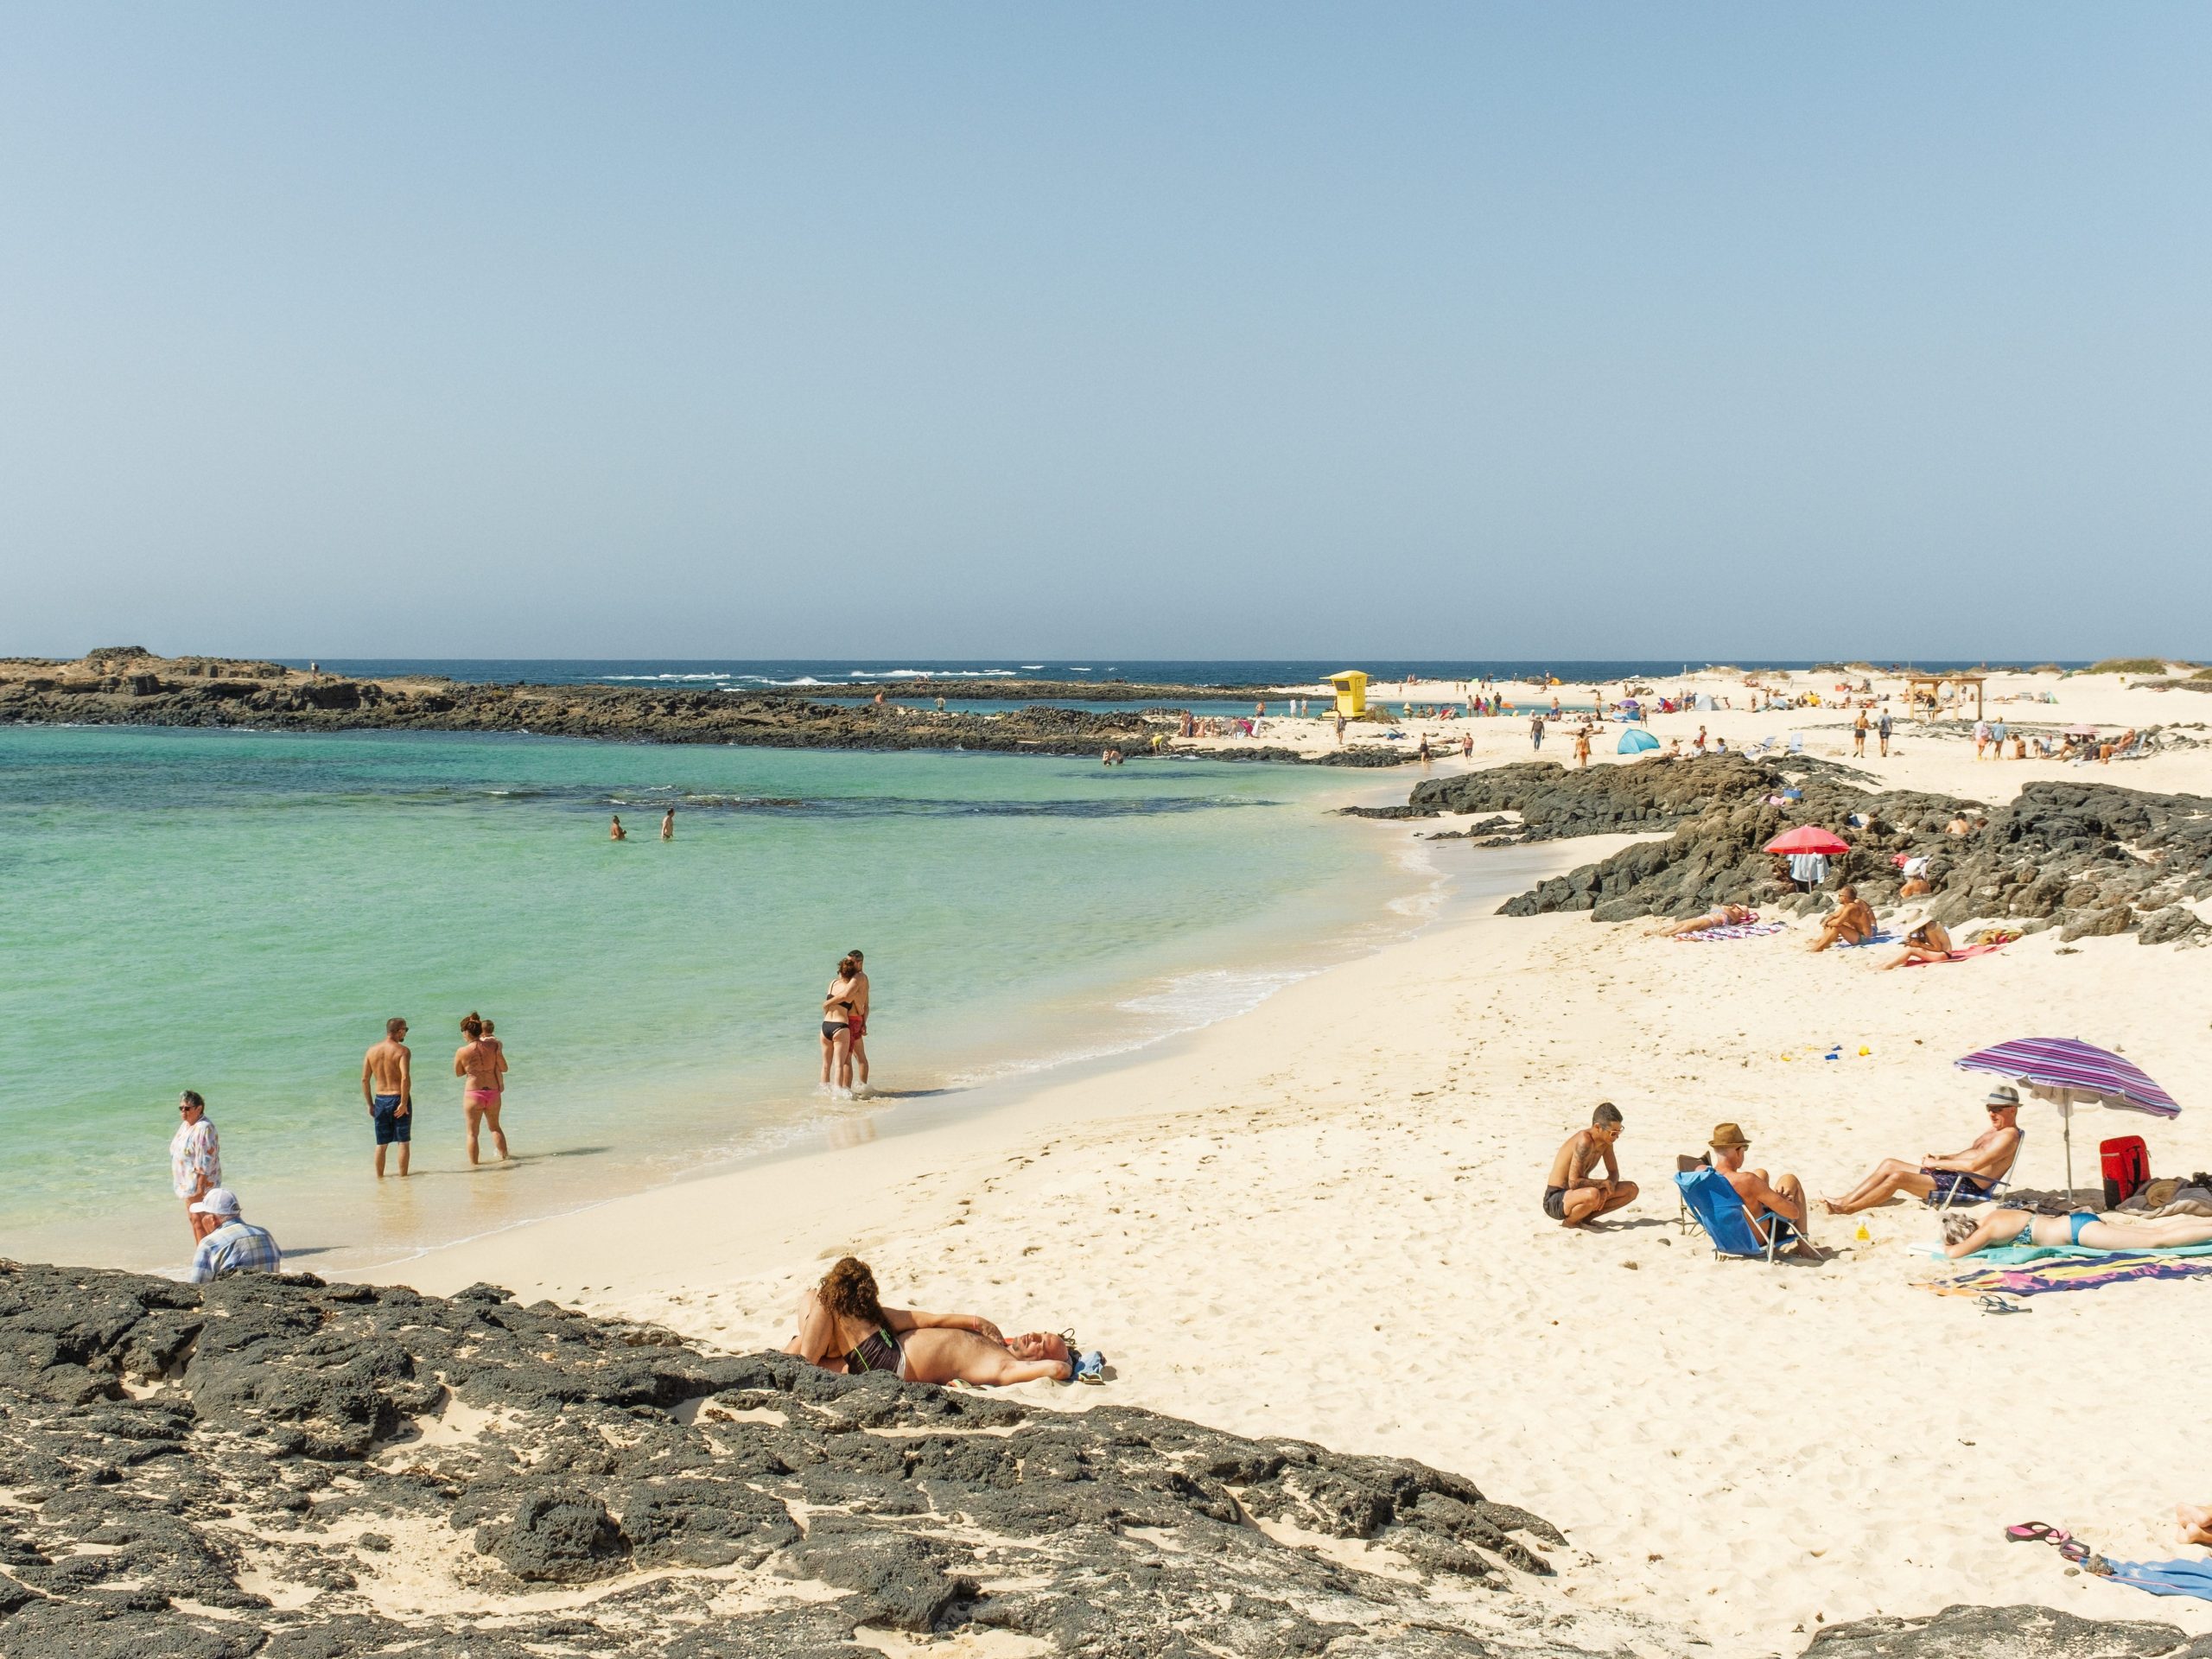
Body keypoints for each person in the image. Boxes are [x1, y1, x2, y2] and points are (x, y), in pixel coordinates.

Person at [786, 1257, 1077, 1385]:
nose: (1034, 1335)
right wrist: (976, 1322)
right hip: (887, 1343)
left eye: (1041, 1343)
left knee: (828, 1299)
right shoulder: (999, 1342)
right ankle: (803, 1352)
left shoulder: (1003, 1365)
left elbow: (1058, 1368)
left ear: (1035, 1361)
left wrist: (1058, 1364)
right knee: (812, 1296)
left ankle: (801, 1369)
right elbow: (931, 1320)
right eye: (1041, 1332)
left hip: (889, 1361)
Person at [1821, 1087, 2023, 1214]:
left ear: (2012, 1110)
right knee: (1889, 1163)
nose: (1991, 1113)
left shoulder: (2008, 1137)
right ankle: (1844, 1199)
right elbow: (1970, 1154)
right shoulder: (1994, 1131)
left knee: (1898, 1177)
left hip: (1966, 1185)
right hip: (1955, 1176)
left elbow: (1974, 1165)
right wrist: (1943, 1157)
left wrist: (1936, 1164)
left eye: (1997, 1109)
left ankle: (1848, 1209)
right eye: (1989, 1108)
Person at [1942, 1205, 2212, 1258]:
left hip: (2078, 1233)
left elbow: (1955, 1254)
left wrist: (1946, 1245)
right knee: (2157, 1230)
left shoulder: (1987, 1231)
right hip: (2077, 1220)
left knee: (2159, 1242)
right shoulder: (1993, 1214)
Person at [1708, 1122, 1815, 1255]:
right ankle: (1804, 1247)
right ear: (1738, 1151)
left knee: (1761, 1173)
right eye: (1745, 1148)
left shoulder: (1706, 1180)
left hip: (1727, 1239)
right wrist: (1780, 1201)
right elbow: (1793, 1213)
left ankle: (1767, 1199)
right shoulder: (1747, 1180)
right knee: (1790, 1179)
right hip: (1758, 1240)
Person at [1541, 1103, 1639, 1226]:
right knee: (1593, 1194)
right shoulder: (1584, 1140)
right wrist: (1603, 1184)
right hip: (1556, 1199)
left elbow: (1613, 1172)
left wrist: (1606, 1190)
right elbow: (1574, 1182)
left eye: (1619, 1131)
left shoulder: (1606, 1143)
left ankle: (1584, 1218)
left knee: (1631, 1189)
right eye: (1613, 1133)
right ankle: (1570, 1223)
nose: (1617, 1137)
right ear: (1598, 1127)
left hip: (1579, 1194)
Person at [186, 1188, 283, 1282]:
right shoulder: (265, 1235)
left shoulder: (210, 1243)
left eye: (203, 1215)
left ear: (212, 1219)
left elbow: (197, 1286)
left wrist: (211, 1234)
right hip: (268, 1294)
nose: (202, 1219)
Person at [454, 1012, 510, 1165]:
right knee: (495, 1128)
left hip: (473, 1094)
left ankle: (475, 1168)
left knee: (472, 1134)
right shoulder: (494, 1045)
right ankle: (506, 1159)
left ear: (466, 1032)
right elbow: (504, 1068)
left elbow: (458, 1073)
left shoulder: (462, 1051)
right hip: (493, 1092)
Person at [361, 1017, 412, 1178]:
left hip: (381, 1100)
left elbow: (364, 1079)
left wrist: (370, 1104)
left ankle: (380, 1180)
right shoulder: (402, 1051)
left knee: (381, 1144)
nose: (406, 1032)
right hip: (398, 1098)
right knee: (403, 1141)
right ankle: (403, 1178)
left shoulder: (371, 1051)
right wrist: (403, 1102)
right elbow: (405, 1077)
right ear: (399, 1031)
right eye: (406, 1029)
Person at [171, 1090, 223, 1243]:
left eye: (187, 1108)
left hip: (200, 1184)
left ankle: (210, 1255)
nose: (183, 1112)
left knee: (203, 1221)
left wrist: (200, 1188)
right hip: (188, 1184)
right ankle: (202, 1253)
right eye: (181, 1108)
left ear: (199, 1109)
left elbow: (204, 1160)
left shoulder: (203, 1128)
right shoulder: (186, 1125)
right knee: (194, 1220)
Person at [821, 953, 861, 1094]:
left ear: (840, 971)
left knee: (825, 1066)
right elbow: (860, 1008)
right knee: (839, 1066)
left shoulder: (832, 984)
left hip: (825, 1026)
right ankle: (838, 1098)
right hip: (840, 1027)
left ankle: (823, 1094)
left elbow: (826, 1007)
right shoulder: (851, 989)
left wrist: (827, 1003)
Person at [1808, 886, 1876, 951]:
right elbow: (1835, 915)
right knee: (1833, 924)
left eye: (1839, 896)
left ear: (1845, 897)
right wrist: (1827, 921)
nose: (1838, 898)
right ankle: (1821, 943)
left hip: (1864, 939)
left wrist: (1828, 923)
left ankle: (1820, 947)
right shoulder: (1847, 906)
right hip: (1857, 934)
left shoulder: (1852, 907)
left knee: (1837, 926)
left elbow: (1838, 922)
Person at [1879, 913, 1953, 969]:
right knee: (1909, 946)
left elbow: (1937, 948)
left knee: (1911, 949)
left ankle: (1887, 966)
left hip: (1944, 955)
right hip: (1943, 953)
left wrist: (1919, 944)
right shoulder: (1931, 925)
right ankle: (1890, 963)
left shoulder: (1929, 930)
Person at [845, 949, 873, 1092]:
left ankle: (846, 1092)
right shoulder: (865, 978)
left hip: (850, 1021)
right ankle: (863, 1088)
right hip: (858, 1020)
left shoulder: (856, 979)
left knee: (846, 1059)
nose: (847, 964)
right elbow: (867, 1005)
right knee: (861, 1057)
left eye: (850, 962)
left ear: (859, 962)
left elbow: (853, 998)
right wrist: (863, 1022)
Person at [1658, 901, 1754, 937]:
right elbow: (1714, 906)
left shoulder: (1735, 918)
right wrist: (1721, 909)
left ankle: (1669, 934)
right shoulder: (1731, 913)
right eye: (1737, 907)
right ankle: (1661, 932)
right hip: (1707, 917)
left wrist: (1724, 908)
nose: (1737, 909)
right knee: (1681, 923)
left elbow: (1723, 908)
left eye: (1739, 909)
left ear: (1742, 913)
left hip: (1711, 922)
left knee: (1690, 926)